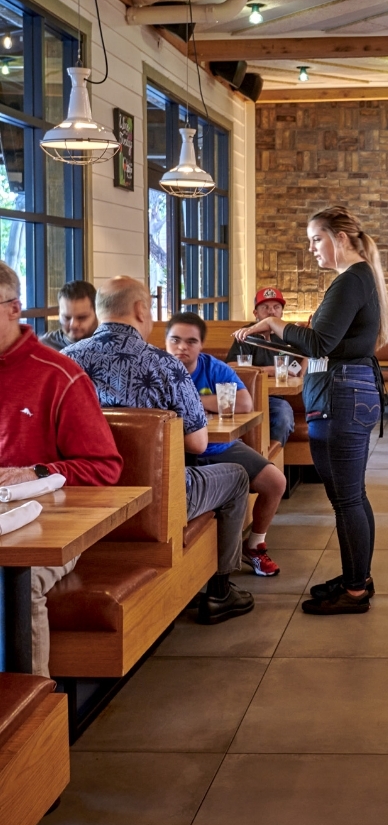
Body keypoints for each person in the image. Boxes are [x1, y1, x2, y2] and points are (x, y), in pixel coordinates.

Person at [65, 277, 254, 624]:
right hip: (158, 501)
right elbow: (198, 443)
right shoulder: (165, 366)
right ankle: (221, 591)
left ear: (98, 311)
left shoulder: (63, 363)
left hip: (83, 502)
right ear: (140, 309)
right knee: (237, 476)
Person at [235, 206, 388, 616]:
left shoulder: (350, 281)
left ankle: (355, 589)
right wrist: (272, 337)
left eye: (316, 239)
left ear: (340, 238)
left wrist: (271, 326)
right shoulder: (354, 280)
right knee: (350, 496)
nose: (312, 249)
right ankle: (358, 576)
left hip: (343, 395)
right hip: (343, 392)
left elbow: (319, 343)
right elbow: (323, 343)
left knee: (347, 499)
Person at [0, 261, 122, 676]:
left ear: (15, 308)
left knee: (16, 580)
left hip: (47, 528)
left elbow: (106, 466)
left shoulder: (60, 375)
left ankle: (32, 720)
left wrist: (33, 471)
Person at [166, 311, 285, 577]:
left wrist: (189, 401)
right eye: (175, 340)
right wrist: (212, 404)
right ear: (165, 342)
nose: (182, 347)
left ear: (201, 345)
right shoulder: (156, 370)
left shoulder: (213, 367)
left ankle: (254, 546)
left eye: (190, 341)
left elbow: (243, 403)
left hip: (219, 447)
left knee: (275, 483)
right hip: (176, 453)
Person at [225, 287, 296, 448]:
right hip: (246, 396)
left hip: (275, 398)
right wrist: (268, 370)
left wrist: (307, 353)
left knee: (284, 417)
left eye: (276, 307)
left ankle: (270, 460)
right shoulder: (246, 334)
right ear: (255, 313)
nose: (271, 311)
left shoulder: (287, 336)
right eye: (265, 307)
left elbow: (295, 369)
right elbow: (232, 366)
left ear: (282, 313)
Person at [40, 279, 98, 351]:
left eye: (81, 318)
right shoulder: (43, 346)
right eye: (66, 318)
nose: (73, 325)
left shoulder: (111, 346)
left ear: (97, 313)